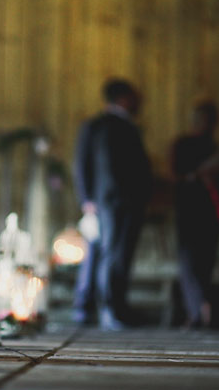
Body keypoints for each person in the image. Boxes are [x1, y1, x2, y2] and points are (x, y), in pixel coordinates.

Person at [73, 79, 152, 330]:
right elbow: (81, 163)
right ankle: (110, 309)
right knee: (112, 255)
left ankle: (117, 306)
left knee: (123, 256)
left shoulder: (131, 127)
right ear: (122, 98)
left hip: (131, 202)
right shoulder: (96, 126)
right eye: (133, 96)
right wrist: (87, 199)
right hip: (108, 201)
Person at [171, 100, 219, 328]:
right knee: (189, 261)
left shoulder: (218, 149)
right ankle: (197, 310)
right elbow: (175, 175)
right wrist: (199, 174)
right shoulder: (182, 145)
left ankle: (201, 308)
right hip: (188, 208)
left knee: (205, 260)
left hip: (211, 210)